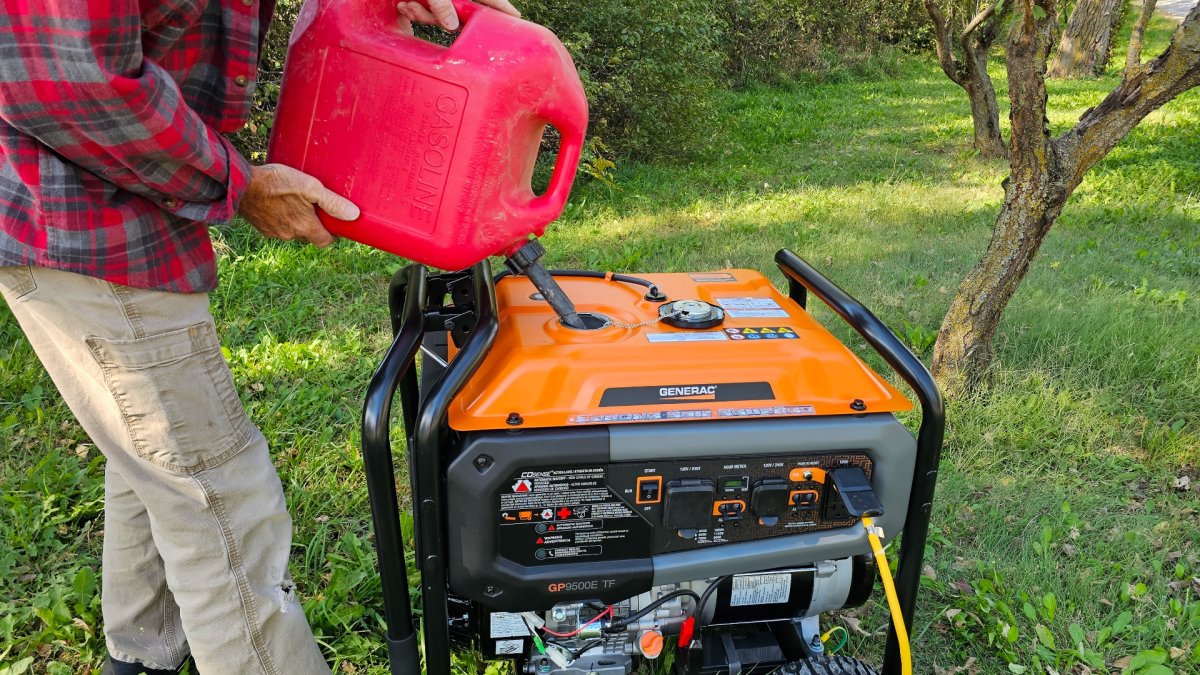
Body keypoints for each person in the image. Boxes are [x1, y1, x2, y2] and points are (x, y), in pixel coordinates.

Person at [0, 0, 518, 673]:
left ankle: (141, 654)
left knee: (159, 451)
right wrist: (238, 184)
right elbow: (63, 82)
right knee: (219, 496)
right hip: (79, 220)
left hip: (128, 208)